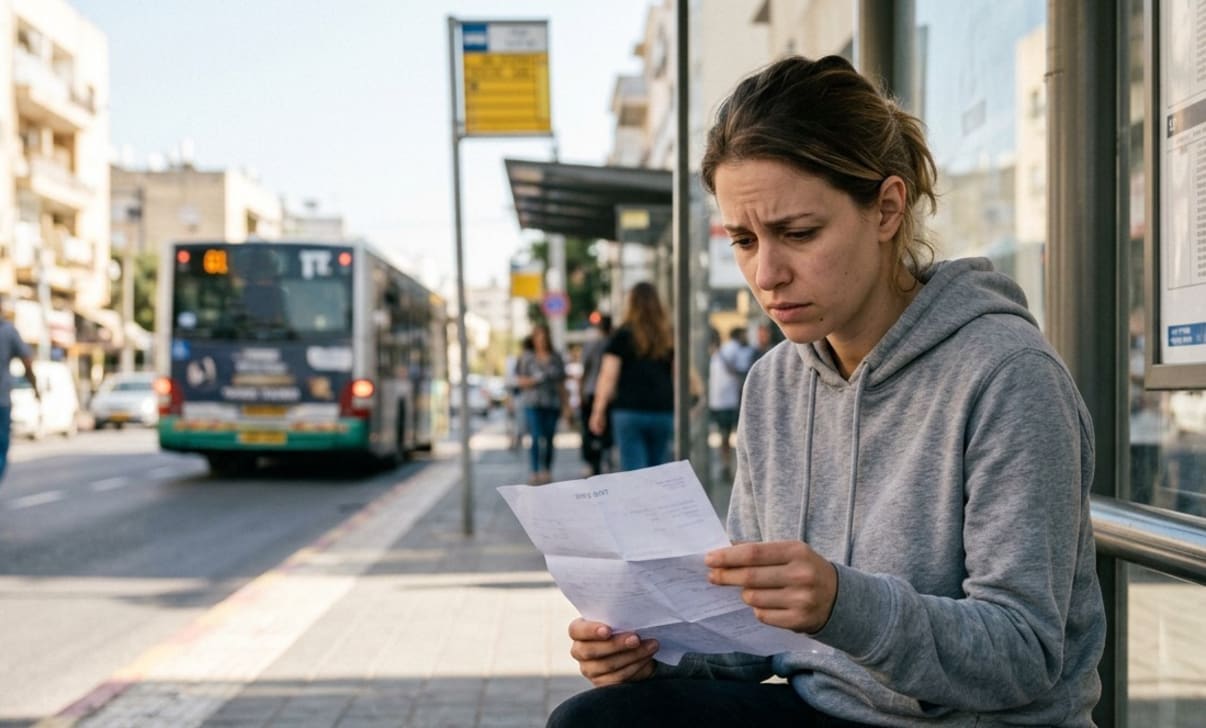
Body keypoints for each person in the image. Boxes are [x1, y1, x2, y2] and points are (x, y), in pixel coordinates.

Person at [553, 55, 1105, 727]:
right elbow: (750, 639)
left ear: (887, 208)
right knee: (595, 719)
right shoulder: (774, 383)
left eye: (798, 233)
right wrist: (651, 653)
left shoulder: (1007, 375)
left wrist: (846, 605)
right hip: (823, 706)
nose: (766, 273)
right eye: (744, 240)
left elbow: (1025, 653)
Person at [589, 282, 675, 471]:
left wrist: (598, 410)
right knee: (659, 472)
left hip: (629, 411)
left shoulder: (621, 335)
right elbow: (679, 374)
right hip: (662, 410)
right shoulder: (668, 336)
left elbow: (608, 377)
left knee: (634, 473)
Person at [515, 324, 570, 485]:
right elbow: (519, 381)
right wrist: (534, 380)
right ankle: (535, 470)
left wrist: (566, 407)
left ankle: (547, 469)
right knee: (536, 437)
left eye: (544, 337)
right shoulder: (526, 357)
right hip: (533, 403)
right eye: (538, 337)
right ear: (533, 339)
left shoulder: (555, 357)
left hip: (552, 403)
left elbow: (561, 384)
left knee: (550, 438)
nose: (541, 341)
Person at [0, 301, 38, 483]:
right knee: (0, 447)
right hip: (1, 401)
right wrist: (35, 386)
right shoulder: (8, 331)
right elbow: (27, 361)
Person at [708, 325, 752, 475]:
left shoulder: (720, 352)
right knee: (738, 436)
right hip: (730, 400)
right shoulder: (735, 350)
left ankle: (726, 464)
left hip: (718, 400)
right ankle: (733, 467)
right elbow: (742, 370)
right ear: (739, 336)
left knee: (724, 436)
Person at [578, 314, 614, 476]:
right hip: (611, 394)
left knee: (590, 430)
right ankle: (604, 459)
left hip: (591, 391)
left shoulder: (591, 345)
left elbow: (584, 371)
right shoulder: (614, 344)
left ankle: (592, 462)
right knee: (607, 429)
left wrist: (580, 392)